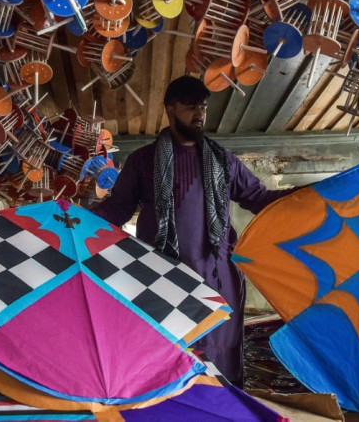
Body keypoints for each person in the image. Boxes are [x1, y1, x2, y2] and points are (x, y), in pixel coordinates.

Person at [92, 75, 298, 387]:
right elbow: (116, 210)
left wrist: (308, 195)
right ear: (170, 109)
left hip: (218, 281)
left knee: (220, 368)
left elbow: (260, 200)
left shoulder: (223, 161)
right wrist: (74, 219)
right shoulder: (142, 161)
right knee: (166, 363)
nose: (199, 114)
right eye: (190, 107)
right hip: (161, 281)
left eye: (202, 107)